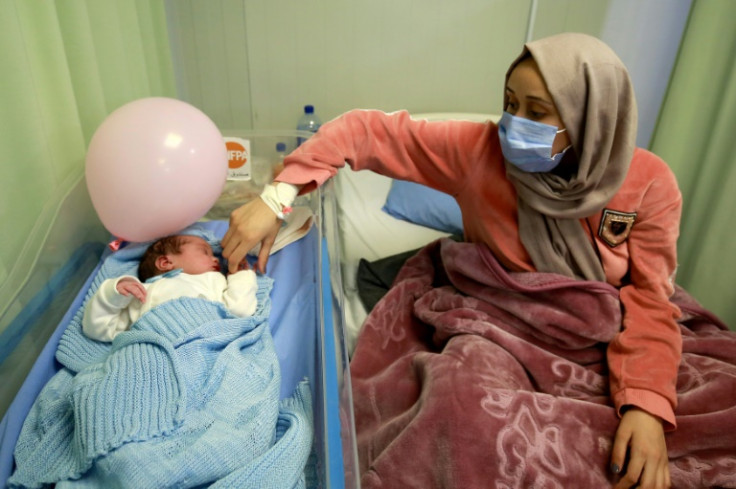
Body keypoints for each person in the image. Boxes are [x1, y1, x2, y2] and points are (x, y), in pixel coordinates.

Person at [222, 32, 680, 489]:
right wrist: (275, 196)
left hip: (597, 337)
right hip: (494, 319)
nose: (514, 123)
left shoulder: (647, 183)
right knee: (464, 412)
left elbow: (651, 298)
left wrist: (645, 405)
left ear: (590, 117)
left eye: (537, 112)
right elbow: (364, 133)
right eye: (509, 103)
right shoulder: (478, 152)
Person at [83, 234, 258, 342]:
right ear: (166, 262)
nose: (216, 259)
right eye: (205, 252)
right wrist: (113, 293)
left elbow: (239, 310)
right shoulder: (142, 291)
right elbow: (97, 329)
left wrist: (240, 277)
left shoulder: (215, 282)